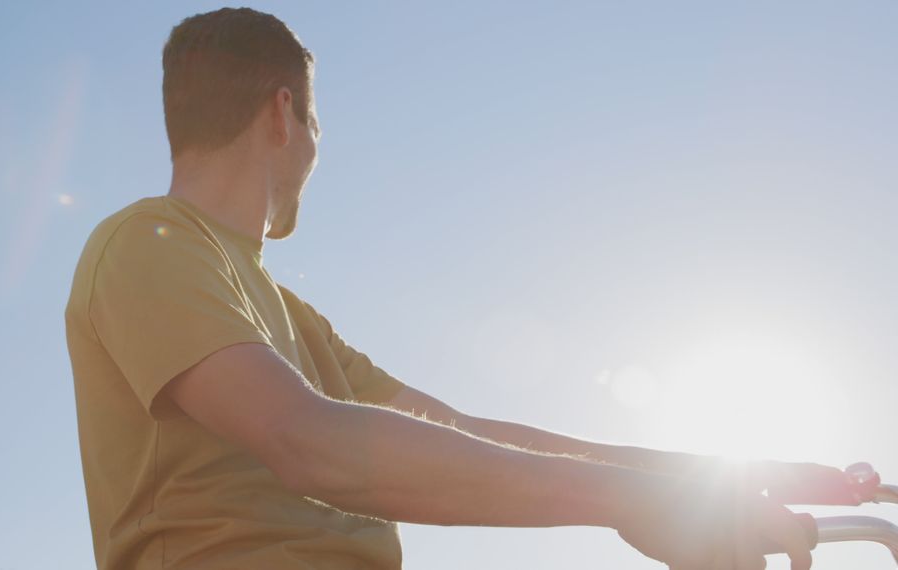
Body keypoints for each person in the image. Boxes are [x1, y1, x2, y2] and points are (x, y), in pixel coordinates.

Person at [64, 7, 856, 569]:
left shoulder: (296, 320)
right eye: (316, 125)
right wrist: (636, 504)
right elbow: (311, 444)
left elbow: (469, 434)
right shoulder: (147, 242)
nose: (315, 150)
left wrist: (710, 476)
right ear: (283, 115)